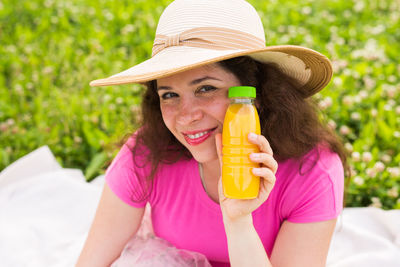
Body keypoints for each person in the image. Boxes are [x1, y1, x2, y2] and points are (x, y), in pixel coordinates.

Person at [76, 0, 347, 266]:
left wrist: (238, 222)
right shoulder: (147, 152)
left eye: (205, 89)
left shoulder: (313, 171)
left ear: (257, 92)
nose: (186, 115)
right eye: (169, 95)